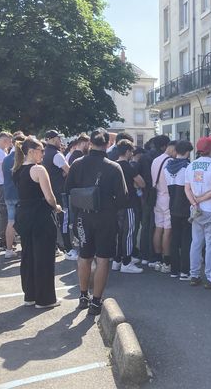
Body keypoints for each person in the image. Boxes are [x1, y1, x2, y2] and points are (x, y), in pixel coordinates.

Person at [65, 129, 128, 316]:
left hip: (83, 216)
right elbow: (124, 199)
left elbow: (68, 190)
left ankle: (83, 295)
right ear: (108, 144)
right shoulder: (114, 167)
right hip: (106, 217)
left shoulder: (77, 164)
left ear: (89, 143)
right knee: (103, 259)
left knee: (84, 256)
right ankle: (96, 301)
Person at [13, 136, 61, 309]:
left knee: (28, 255)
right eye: (41, 150)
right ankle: (45, 299)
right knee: (44, 257)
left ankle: (30, 295)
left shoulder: (17, 170)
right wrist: (56, 206)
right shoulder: (38, 169)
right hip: (40, 216)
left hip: (23, 216)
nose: (43, 153)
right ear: (32, 152)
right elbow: (49, 196)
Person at [185, 136, 211, 289]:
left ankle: (194, 275)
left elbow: (186, 188)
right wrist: (202, 199)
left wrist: (195, 202)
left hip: (195, 210)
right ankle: (210, 276)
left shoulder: (191, 166)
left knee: (196, 242)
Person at [112, 139, 144, 274]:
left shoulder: (112, 166)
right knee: (129, 234)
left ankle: (117, 260)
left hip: (115, 205)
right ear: (127, 152)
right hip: (129, 203)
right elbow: (141, 183)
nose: (132, 153)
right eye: (131, 151)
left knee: (119, 234)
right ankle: (126, 262)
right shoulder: (128, 166)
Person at [165, 140, 193, 281]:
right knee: (186, 239)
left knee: (174, 239)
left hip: (172, 205)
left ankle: (174, 270)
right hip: (186, 206)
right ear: (188, 152)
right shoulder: (188, 167)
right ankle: (185, 271)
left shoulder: (167, 167)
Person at [42, 130, 71, 256]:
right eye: (59, 139)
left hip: (47, 190)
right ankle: (68, 248)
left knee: (51, 220)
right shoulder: (57, 154)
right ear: (53, 139)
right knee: (63, 219)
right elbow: (69, 171)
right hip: (59, 191)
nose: (60, 141)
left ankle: (53, 247)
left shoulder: (44, 153)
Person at [149, 135, 173, 273]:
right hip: (167, 198)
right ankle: (166, 261)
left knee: (158, 228)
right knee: (167, 231)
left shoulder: (155, 160)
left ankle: (157, 259)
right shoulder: (170, 162)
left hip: (157, 197)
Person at [2, 133, 26, 259]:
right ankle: (25, 248)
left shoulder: (6, 159)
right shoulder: (21, 159)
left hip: (8, 193)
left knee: (10, 222)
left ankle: (9, 249)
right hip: (20, 194)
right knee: (23, 222)